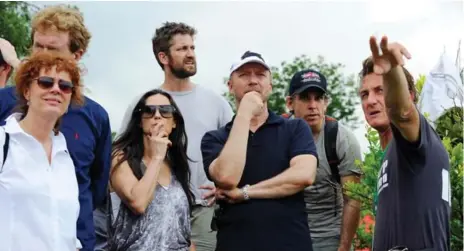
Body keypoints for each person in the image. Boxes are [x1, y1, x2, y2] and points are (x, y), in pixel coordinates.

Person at [0, 6, 112, 251]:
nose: (42, 55)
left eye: (52, 49)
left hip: (75, 240)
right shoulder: (3, 103)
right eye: (38, 46)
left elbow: (95, 187)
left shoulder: (96, 118)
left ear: (77, 54)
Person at [117, 22, 233, 251]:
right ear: (163, 57)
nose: (190, 54)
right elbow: (122, 152)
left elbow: (236, 152)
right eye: (182, 49)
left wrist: (226, 188)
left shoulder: (216, 103)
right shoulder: (145, 104)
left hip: (204, 210)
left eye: (192, 48)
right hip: (152, 208)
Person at [201, 51, 318, 251]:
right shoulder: (215, 138)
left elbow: (304, 175)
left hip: (291, 244)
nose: (253, 81)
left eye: (261, 75)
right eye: (244, 75)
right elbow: (227, 177)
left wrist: (244, 193)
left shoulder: (295, 128)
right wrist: (245, 113)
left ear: (270, 87)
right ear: (230, 86)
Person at [359, 35, 451, 250]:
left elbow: (402, 113)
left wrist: (391, 71)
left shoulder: (415, 142)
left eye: (380, 90)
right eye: (364, 94)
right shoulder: (394, 152)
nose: (370, 100)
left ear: (408, 95)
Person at [0, 51, 83, 251]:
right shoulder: (3, 142)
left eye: (65, 86)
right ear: (27, 91)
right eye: (46, 82)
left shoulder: (65, 156)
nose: (56, 89)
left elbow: (67, 232)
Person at [108, 89, 196, 251]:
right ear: (140, 121)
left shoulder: (177, 164)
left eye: (165, 111)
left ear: (174, 122)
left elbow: (182, 230)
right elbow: (138, 203)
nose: (157, 115)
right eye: (149, 111)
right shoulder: (120, 158)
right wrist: (157, 157)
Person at [284, 69, 362, 251]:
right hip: (287, 233)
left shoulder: (342, 139)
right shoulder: (278, 136)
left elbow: (353, 199)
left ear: (325, 103)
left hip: (330, 236)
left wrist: (343, 247)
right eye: (304, 98)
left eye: (318, 98)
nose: (313, 105)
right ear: (290, 102)